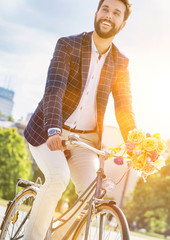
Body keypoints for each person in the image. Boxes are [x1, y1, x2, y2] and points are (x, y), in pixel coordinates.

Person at [23, 0, 136, 239]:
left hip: (84, 141)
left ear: (123, 24)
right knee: (58, 177)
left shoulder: (121, 63)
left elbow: (124, 107)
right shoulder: (68, 45)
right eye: (105, 9)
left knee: (90, 195)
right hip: (48, 131)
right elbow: (54, 90)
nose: (108, 15)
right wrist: (53, 130)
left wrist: (135, 142)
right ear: (96, 13)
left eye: (116, 13)